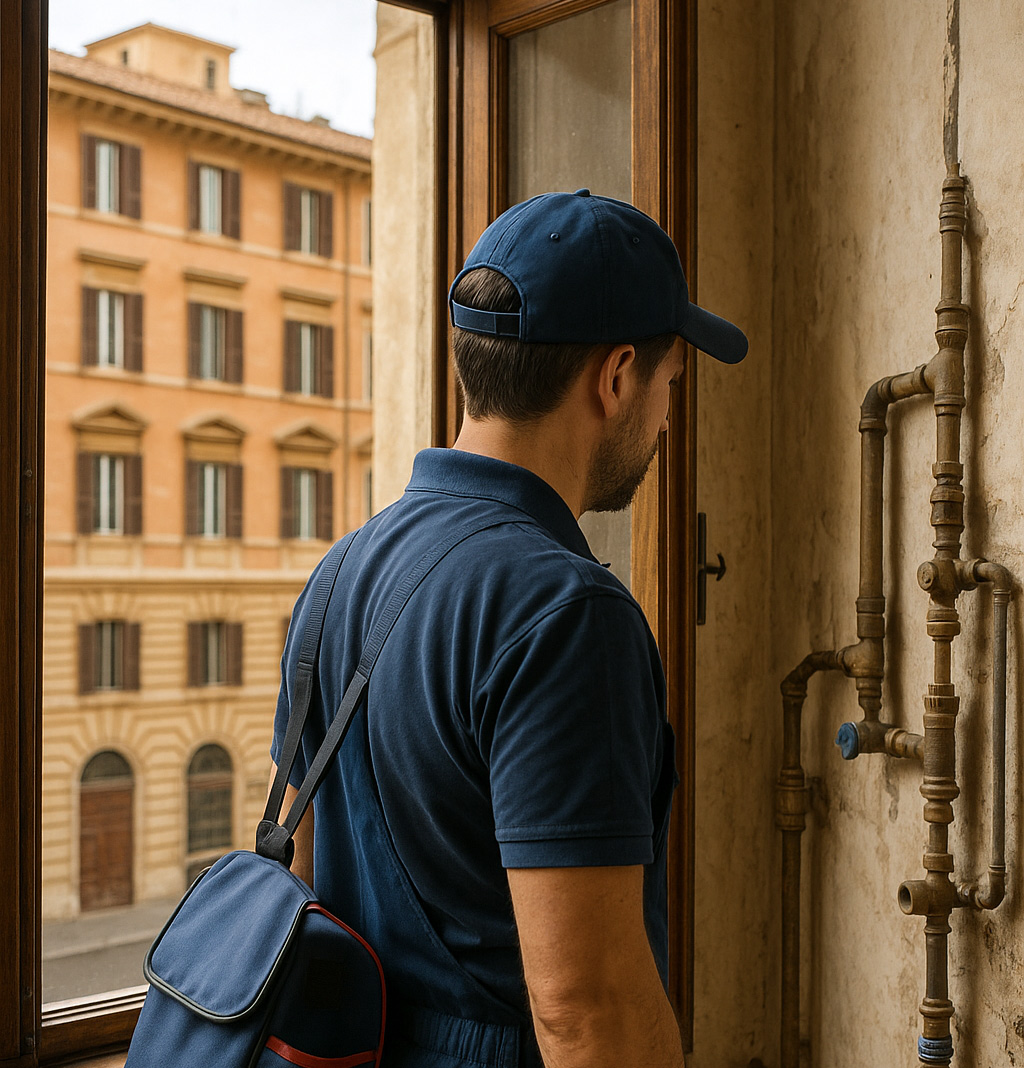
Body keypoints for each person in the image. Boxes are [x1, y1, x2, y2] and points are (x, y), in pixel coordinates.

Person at [269, 188, 747, 1068]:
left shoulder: (338, 575)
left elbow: (299, 886)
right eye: (669, 385)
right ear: (615, 378)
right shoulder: (568, 617)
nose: (666, 419)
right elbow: (586, 1013)